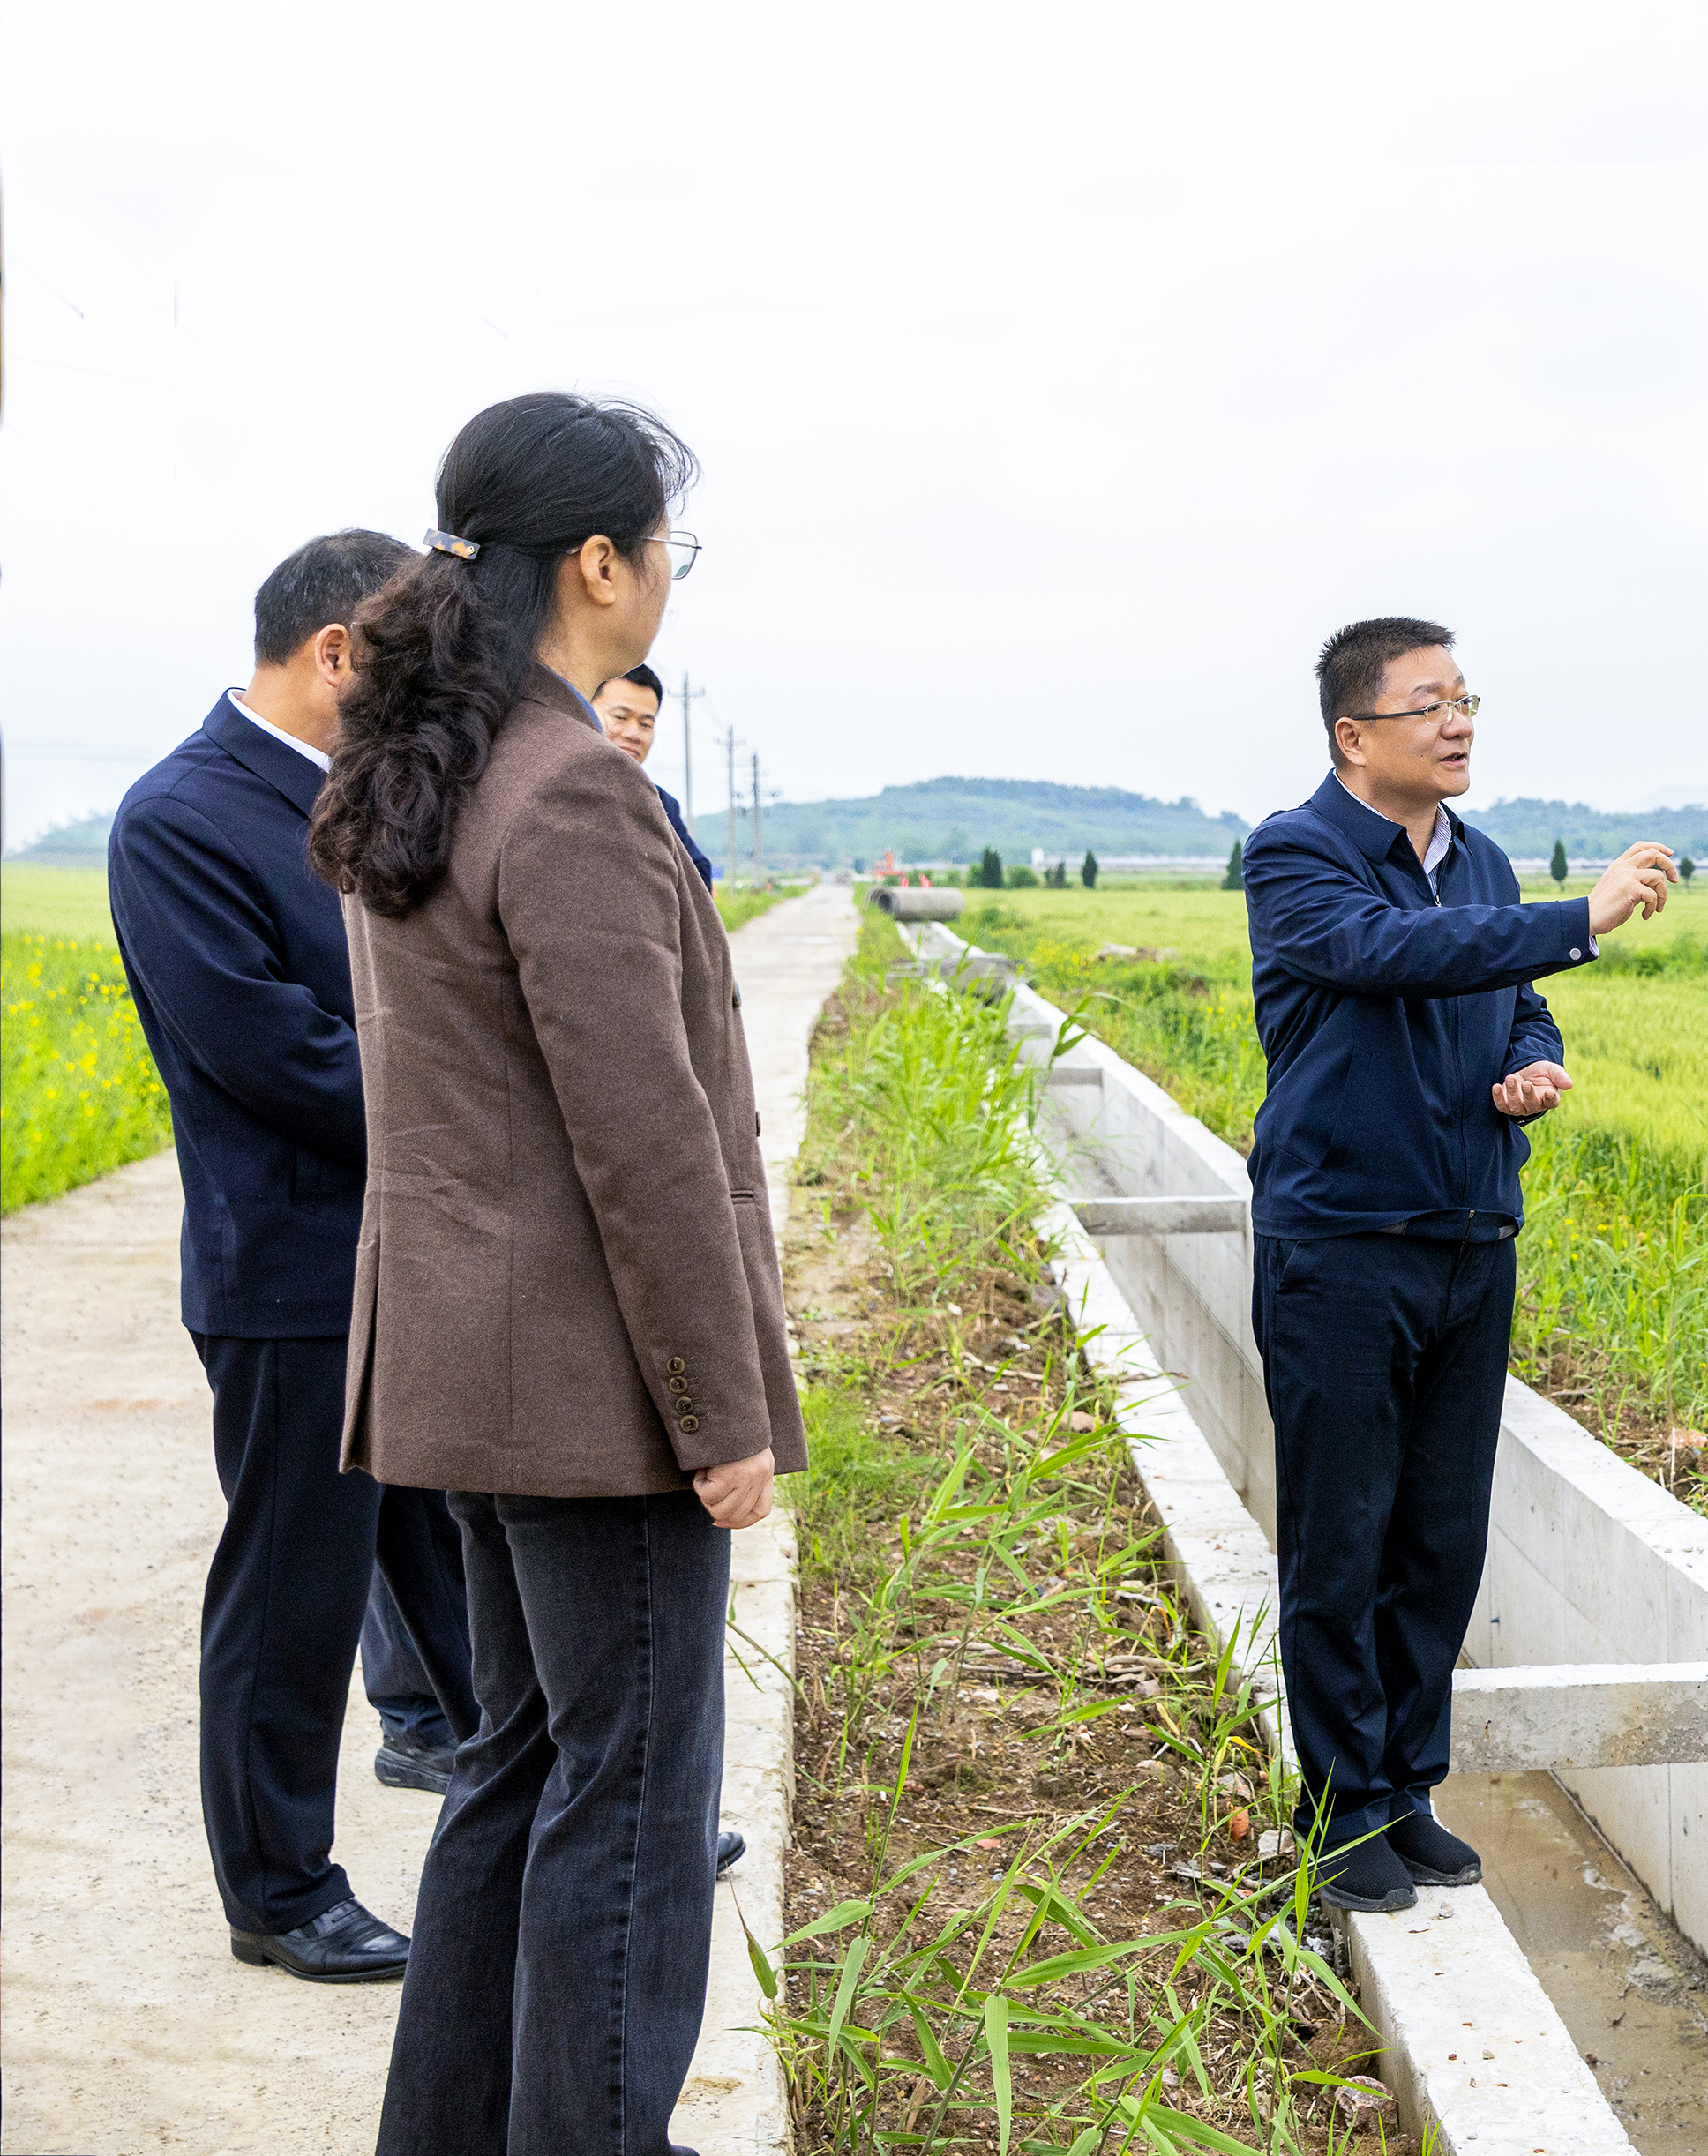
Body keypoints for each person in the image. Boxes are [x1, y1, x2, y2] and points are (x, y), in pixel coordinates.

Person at [307, 391, 800, 2154]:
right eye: (663, 544)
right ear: (600, 563)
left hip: (468, 1377)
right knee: (634, 1801)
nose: (667, 575)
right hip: (594, 1401)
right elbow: (645, 1147)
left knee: (517, 1774)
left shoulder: (426, 766)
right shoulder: (573, 789)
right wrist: (720, 1411)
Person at [1242, 618, 1674, 1911]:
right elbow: (1393, 956)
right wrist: (1576, 921)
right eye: (1427, 702)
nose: (1458, 721)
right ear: (1353, 734)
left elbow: (1506, 992)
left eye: (1466, 698)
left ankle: (1404, 1787)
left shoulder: (1480, 859)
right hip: (1341, 1249)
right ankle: (1337, 1807)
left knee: (1439, 1535)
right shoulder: (1298, 855)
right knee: (1341, 1537)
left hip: (1471, 1239)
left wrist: (1531, 1057)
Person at [109, 530, 481, 1985]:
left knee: (456, 1557)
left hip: (414, 1251)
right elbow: (280, 1054)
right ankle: (278, 1886)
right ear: (335, 651)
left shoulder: (369, 797)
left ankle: (565, 1795)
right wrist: (482, 1096)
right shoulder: (182, 818)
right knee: (293, 1594)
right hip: (295, 1273)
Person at [594, 660, 715, 884]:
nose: (634, 733)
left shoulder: (662, 804)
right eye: (620, 717)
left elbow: (700, 874)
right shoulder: (562, 789)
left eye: (646, 724)